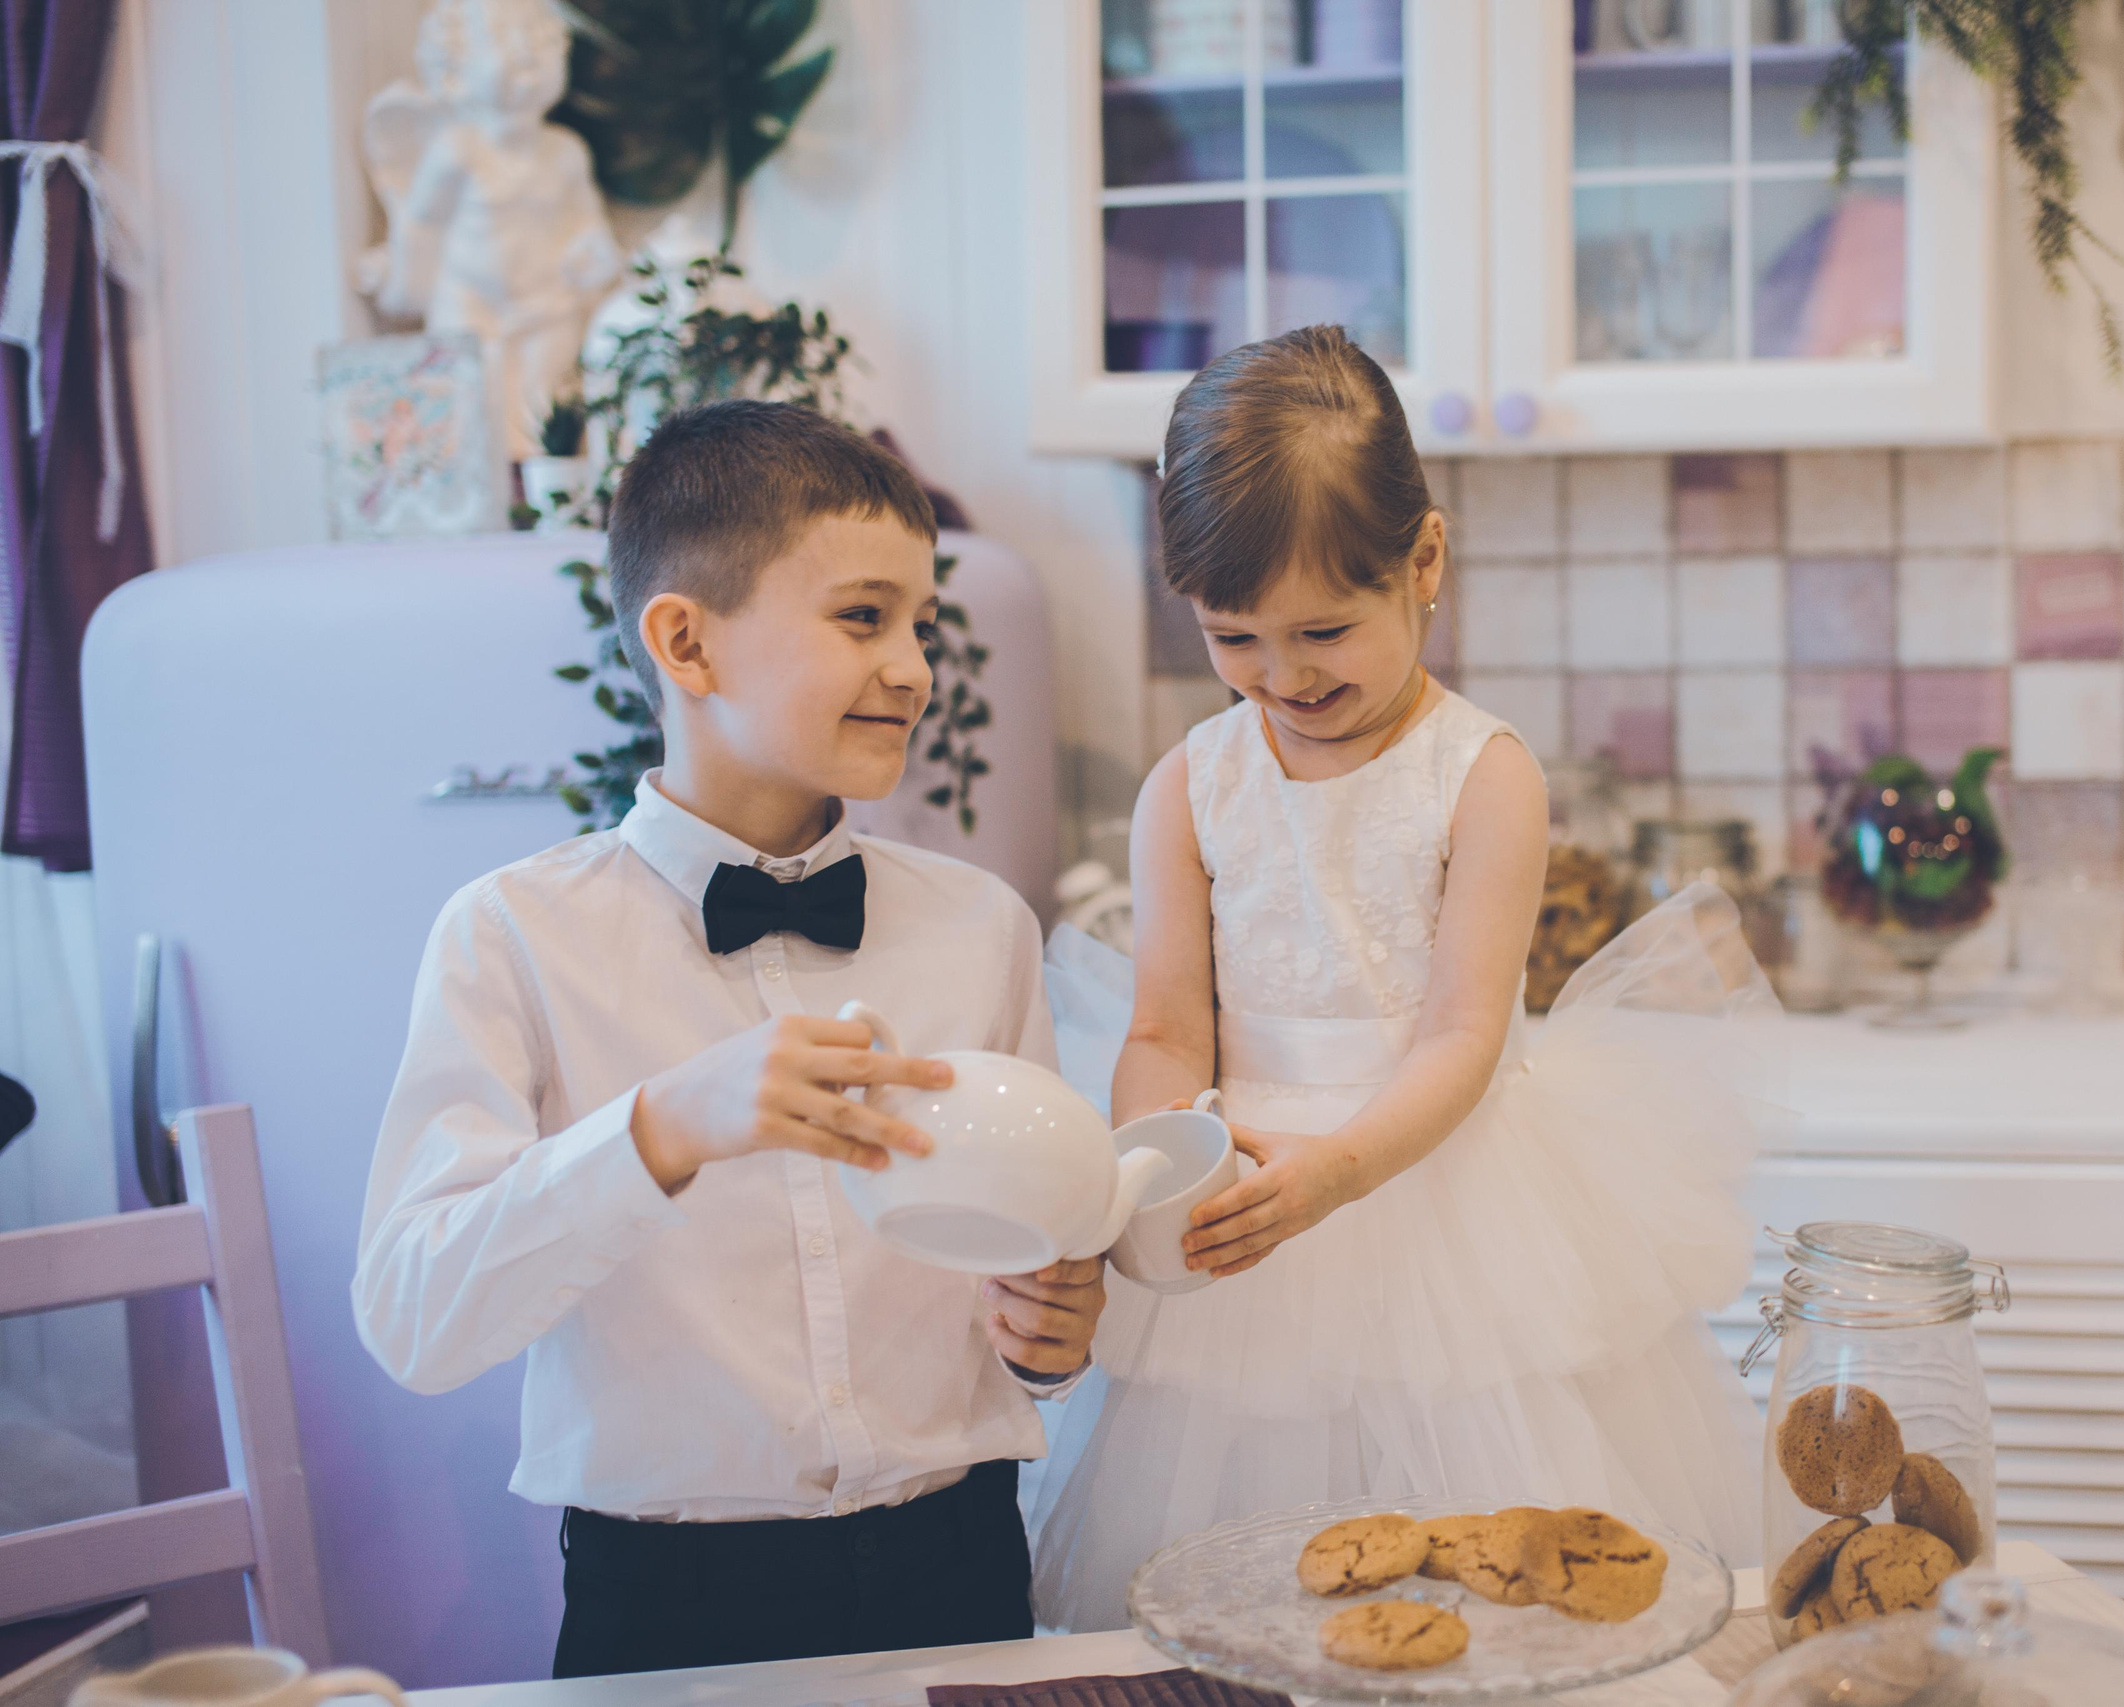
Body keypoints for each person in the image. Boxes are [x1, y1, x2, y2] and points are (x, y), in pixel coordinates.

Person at [1028, 326, 1778, 1631]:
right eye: (1234, 637)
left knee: (1487, 1591)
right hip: (1246, 1215)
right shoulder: (1187, 787)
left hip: (1441, 1194)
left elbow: (1462, 1034)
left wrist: (1338, 1169)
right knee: (1243, 1602)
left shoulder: (1483, 775)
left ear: (1424, 562)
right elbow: (1163, 1026)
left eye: (1324, 629)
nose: (1284, 676)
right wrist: (1162, 1157)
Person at [354, 401, 1101, 1677]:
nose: (914, 669)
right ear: (685, 642)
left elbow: (1035, 1266)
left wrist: (1055, 1327)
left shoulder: (983, 929)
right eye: (863, 618)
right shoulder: (511, 937)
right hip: (668, 1607)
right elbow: (416, 1321)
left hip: (963, 1565)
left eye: (922, 626)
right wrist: (659, 1131)